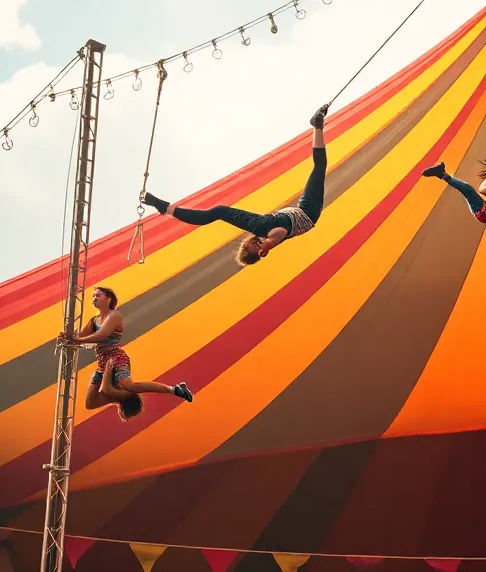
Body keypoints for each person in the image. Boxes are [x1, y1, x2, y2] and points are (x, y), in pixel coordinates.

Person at [142, 105, 330, 266]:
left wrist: (265, 247)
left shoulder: (264, 232)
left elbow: (273, 238)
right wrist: (265, 247)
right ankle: (317, 125)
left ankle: (166, 208)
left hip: (295, 216)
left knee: (218, 212)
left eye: (249, 247)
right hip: (301, 213)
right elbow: (273, 239)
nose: (253, 246)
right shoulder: (269, 237)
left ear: (247, 245)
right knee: (218, 212)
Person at [59, 286, 193, 421]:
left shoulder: (114, 316)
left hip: (115, 358)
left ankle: (173, 389)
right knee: (120, 389)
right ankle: (174, 390)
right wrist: (69, 339)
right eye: (93, 296)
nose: (94, 299)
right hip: (104, 363)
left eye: (98, 296)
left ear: (108, 299)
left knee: (122, 387)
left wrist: (75, 340)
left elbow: (101, 335)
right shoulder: (95, 320)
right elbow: (81, 338)